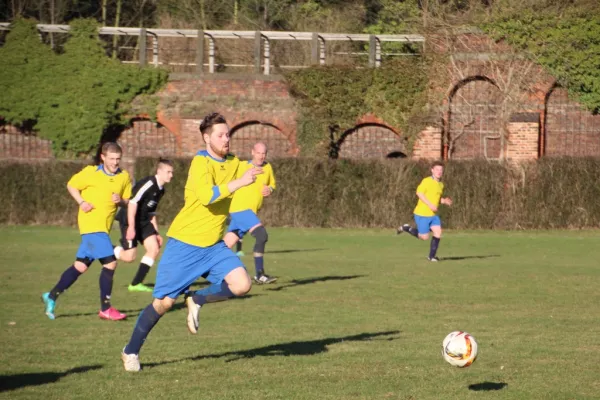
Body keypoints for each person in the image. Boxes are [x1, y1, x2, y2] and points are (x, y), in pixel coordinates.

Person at [121, 112, 262, 372]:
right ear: (207, 138)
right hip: (184, 244)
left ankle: (196, 299)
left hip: (213, 246)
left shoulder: (233, 162)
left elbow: (251, 169)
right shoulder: (201, 162)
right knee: (163, 303)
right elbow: (208, 196)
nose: (226, 138)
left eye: (228, 134)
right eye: (220, 135)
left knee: (242, 284)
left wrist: (259, 174)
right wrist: (240, 182)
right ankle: (130, 351)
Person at [41, 142, 132, 320]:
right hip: (91, 226)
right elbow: (71, 185)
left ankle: (51, 296)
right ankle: (105, 308)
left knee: (80, 266)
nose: (115, 163)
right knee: (110, 263)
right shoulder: (91, 173)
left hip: (103, 229)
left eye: (118, 159)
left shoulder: (124, 177)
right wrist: (82, 202)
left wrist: (120, 200)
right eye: (111, 159)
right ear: (103, 157)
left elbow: (128, 201)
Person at [113, 158, 174, 292]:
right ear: (159, 171)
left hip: (144, 221)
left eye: (172, 172)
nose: (171, 175)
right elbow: (132, 203)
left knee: (154, 248)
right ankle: (106, 248)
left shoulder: (161, 190)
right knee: (129, 257)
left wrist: (156, 233)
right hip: (129, 219)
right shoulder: (148, 184)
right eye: (168, 172)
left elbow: (151, 211)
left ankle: (136, 284)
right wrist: (131, 226)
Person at [223, 142, 277, 284]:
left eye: (264, 153)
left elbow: (272, 184)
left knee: (226, 245)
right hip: (240, 209)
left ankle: (205, 268)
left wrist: (269, 190)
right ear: (252, 152)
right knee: (261, 235)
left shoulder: (268, 167)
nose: (261, 156)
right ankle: (259, 274)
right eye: (258, 153)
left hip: (249, 212)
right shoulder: (241, 166)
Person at [397, 161, 452, 261]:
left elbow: (435, 198)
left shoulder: (441, 184)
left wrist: (443, 201)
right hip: (422, 213)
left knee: (438, 232)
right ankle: (406, 228)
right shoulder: (426, 181)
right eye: (437, 170)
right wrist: (430, 205)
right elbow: (419, 193)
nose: (439, 172)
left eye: (441, 170)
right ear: (432, 170)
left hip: (433, 215)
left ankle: (431, 257)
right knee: (424, 237)